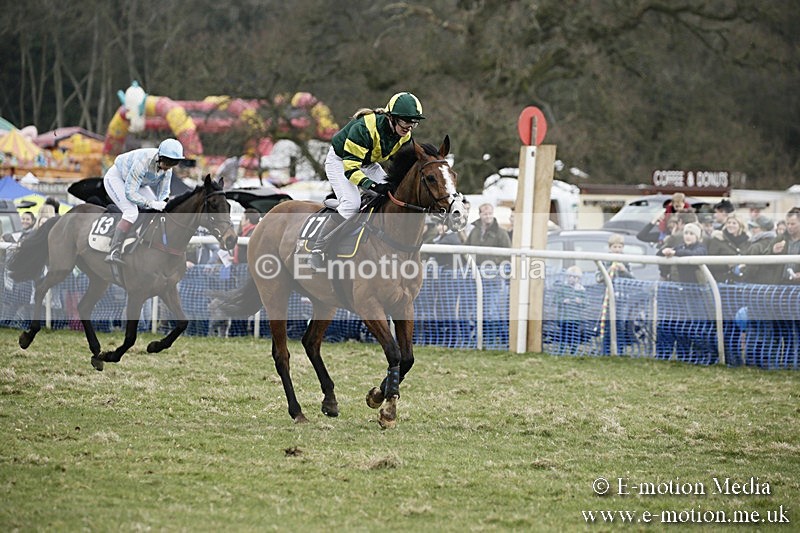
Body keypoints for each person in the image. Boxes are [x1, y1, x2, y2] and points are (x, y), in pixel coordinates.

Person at [308, 92, 425, 268]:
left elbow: (403, 167)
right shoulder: (364, 128)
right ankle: (319, 246)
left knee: (393, 193)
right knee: (351, 204)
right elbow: (351, 169)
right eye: (406, 121)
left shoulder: (405, 136)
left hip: (368, 163)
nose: (409, 127)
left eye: (413, 122)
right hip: (341, 162)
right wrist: (371, 185)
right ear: (391, 118)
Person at [103, 138, 185, 264]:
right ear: (160, 157)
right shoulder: (144, 161)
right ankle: (114, 251)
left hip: (139, 184)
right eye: (167, 163)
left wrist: (163, 202)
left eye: (172, 164)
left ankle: (140, 239)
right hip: (117, 178)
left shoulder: (168, 168)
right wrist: (151, 203)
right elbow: (130, 193)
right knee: (131, 212)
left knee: (154, 210)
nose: (167, 168)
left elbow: (164, 192)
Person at [706, 214, 749, 283]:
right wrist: (727, 265)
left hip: (742, 282)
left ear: (740, 225)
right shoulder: (718, 240)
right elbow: (709, 262)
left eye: (734, 223)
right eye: (729, 223)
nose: (730, 225)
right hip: (722, 282)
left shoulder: (747, 242)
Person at [554, 266, 586, 354]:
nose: (572, 279)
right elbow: (555, 299)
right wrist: (562, 300)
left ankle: (573, 351)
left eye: (574, 277)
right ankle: (561, 351)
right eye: (570, 276)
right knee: (563, 335)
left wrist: (581, 301)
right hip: (564, 317)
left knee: (574, 335)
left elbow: (586, 303)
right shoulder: (562, 288)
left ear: (579, 279)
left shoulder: (581, 290)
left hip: (575, 319)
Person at [741, 215, 776, 284]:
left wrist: (741, 273)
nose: (752, 230)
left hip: (756, 285)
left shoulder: (756, 246)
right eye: (752, 227)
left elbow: (751, 269)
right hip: (772, 284)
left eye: (755, 227)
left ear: (764, 229)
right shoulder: (776, 241)